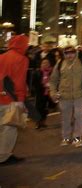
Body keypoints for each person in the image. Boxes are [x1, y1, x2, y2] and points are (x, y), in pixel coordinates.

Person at [49, 45, 82, 147]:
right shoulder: (60, 64)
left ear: (75, 53)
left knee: (79, 117)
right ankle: (66, 137)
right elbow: (53, 80)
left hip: (79, 95)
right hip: (64, 96)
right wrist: (53, 92)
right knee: (65, 118)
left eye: (72, 52)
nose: (70, 55)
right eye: (67, 53)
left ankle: (77, 138)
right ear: (64, 54)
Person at [0, 34, 29, 165]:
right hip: (11, 99)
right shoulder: (21, 59)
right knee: (10, 128)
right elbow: (19, 81)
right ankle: (4, 156)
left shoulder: (1, 57)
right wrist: (21, 100)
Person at [32, 58, 54, 129]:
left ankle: (43, 122)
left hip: (49, 93)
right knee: (38, 108)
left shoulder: (52, 72)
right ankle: (38, 123)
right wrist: (43, 85)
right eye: (44, 63)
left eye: (47, 63)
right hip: (40, 93)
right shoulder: (37, 72)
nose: (45, 64)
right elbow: (34, 84)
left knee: (45, 109)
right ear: (41, 64)